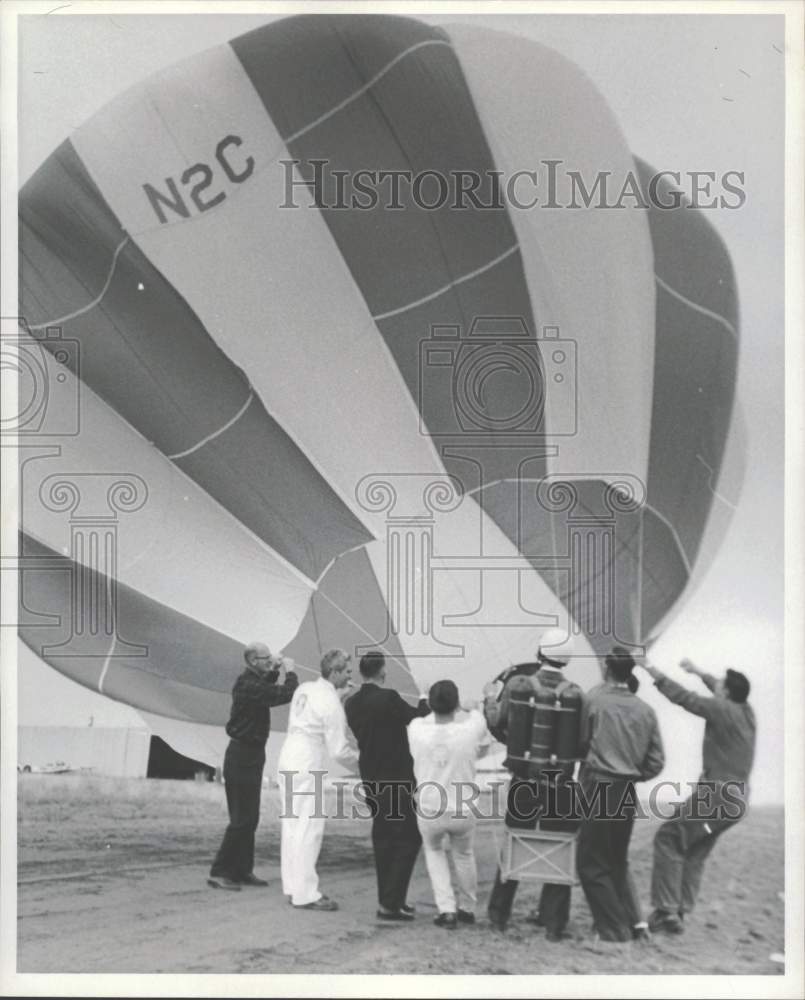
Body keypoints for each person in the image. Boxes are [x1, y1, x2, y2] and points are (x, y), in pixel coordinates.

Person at [640, 657, 756, 934]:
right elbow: (716, 684)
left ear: (725, 693)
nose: (716, 686)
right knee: (694, 851)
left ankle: (667, 910)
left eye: (720, 685)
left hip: (717, 796)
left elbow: (684, 698)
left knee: (668, 838)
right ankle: (678, 912)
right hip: (737, 801)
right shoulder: (746, 710)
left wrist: (649, 667)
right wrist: (698, 671)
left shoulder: (720, 708)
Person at [485, 628, 584, 939]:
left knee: (515, 840)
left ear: (540, 652)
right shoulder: (577, 693)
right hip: (561, 782)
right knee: (561, 845)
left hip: (524, 778)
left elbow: (498, 722)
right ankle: (553, 922)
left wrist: (488, 702)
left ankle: (499, 915)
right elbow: (581, 741)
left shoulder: (518, 685)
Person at [576, 646, 665, 942]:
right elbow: (656, 762)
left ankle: (614, 930)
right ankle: (633, 924)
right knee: (616, 860)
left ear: (606, 668)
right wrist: (633, 774)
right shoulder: (645, 710)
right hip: (627, 791)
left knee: (590, 863)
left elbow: (580, 742)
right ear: (630, 672)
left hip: (599, 785)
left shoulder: (594, 701)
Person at [344, 650, 430, 921]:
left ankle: (391, 900)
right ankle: (391, 903)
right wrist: (426, 697)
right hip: (396, 778)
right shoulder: (389, 698)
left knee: (383, 837)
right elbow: (417, 718)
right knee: (409, 837)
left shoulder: (351, 703)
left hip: (371, 777)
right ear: (382, 671)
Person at [208, 642, 298, 890]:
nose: (270, 659)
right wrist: (289, 672)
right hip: (242, 755)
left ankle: (241, 870)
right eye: (265, 657)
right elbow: (281, 694)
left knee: (250, 817)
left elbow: (265, 687)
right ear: (252, 661)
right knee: (241, 819)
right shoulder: (248, 684)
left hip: (250, 754)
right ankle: (220, 871)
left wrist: (275, 670)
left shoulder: (251, 682)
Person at [277, 648, 359, 910]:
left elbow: (316, 709)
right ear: (334, 672)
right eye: (346, 671)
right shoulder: (331, 703)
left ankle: (292, 885)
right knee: (309, 827)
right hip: (307, 760)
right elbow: (338, 751)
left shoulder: (304, 688)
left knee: (292, 824)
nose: (350, 675)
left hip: (289, 752)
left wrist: (338, 696)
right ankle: (306, 893)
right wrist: (363, 765)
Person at [408, 680, 490, 929]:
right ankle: (467, 907)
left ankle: (446, 910)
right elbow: (478, 719)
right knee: (464, 855)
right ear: (455, 704)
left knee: (434, 854)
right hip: (461, 807)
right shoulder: (469, 729)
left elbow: (422, 716)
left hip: (430, 807)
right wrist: (473, 706)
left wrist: (423, 694)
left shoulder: (416, 728)